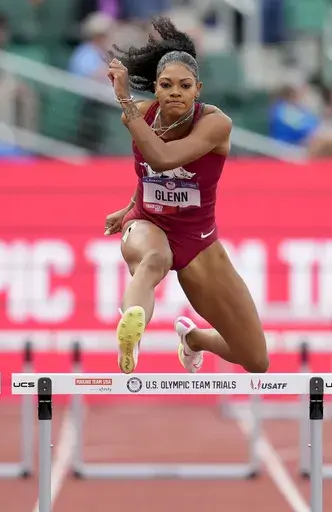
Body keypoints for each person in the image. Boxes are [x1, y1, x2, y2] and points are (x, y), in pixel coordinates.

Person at [104, 17, 269, 375]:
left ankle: (194, 339)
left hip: (199, 240)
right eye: (166, 85)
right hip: (148, 224)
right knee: (153, 259)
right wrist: (130, 206)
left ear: (198, 89)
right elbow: (149, 172)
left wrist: (125, 102)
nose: (175, 92)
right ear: (156, 88)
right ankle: (130, 335)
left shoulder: (215, 124)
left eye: (184, 85)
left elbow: (163, 159)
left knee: (256, 359)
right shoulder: (141, 115)